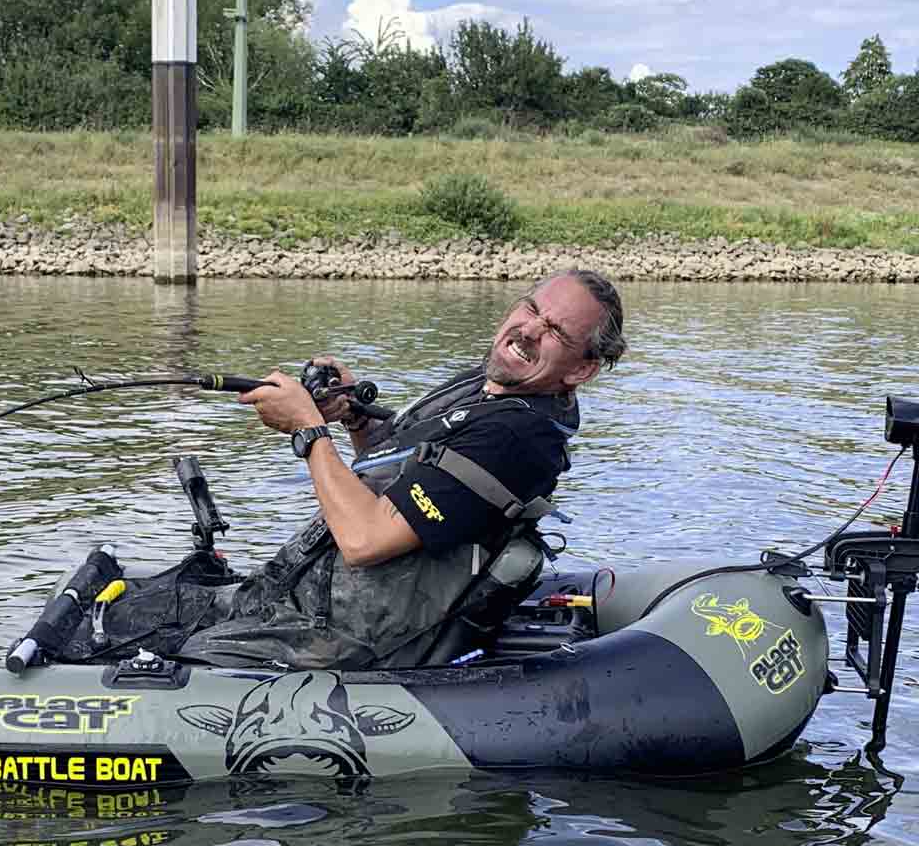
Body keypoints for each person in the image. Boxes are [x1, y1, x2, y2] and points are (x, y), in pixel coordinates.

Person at [172, 268, 626, 670]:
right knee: (135, 602)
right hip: (301, 594)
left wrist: (308, 430)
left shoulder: (515, 437)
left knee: (161, 648)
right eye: (531, 309)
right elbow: (396, 474)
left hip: (340, 635)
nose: (529, 329)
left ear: (581, 370)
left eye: (555, 332)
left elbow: (365, 539)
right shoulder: (488, 384)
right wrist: (352, 415)